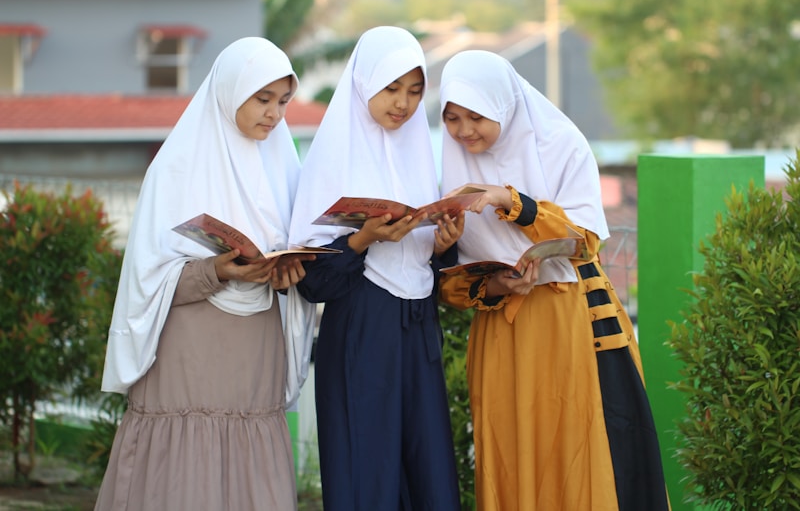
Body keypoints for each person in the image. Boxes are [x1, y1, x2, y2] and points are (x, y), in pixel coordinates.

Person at [438, 50, 670, 511]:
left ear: (502, 105)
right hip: (502, 332)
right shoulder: (448, 164)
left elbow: (582, 242)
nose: (464, 131)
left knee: (578, 449)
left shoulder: (560, 143)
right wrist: (493, 284)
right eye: (452, 117)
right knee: (509, 449)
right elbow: (448, 284)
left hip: (570, 324)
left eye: (476, 116)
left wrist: (512, 200)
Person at [94, 37, 317, 511]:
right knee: (184, 473)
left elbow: (300, 252)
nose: (273, 114)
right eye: (262, 99)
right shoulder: (175, 169)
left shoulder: (286, 170)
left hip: (257, 347)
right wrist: (215, 269)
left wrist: (285, 273)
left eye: (282, 101)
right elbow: (144, 280)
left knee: (247, 465)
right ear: (229, 91)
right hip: (188, 348)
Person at [288, 26, 463, 511]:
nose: (402, 104)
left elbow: (427, 259)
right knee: (368, 463)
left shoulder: (417, 153)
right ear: (364, 82)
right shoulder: (331, 156)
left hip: (418, 331)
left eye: (414, 90)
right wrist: (364, 238)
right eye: (391, 88)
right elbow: (312, 280)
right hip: (363, 330)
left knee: (425, 463)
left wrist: (445, 245)